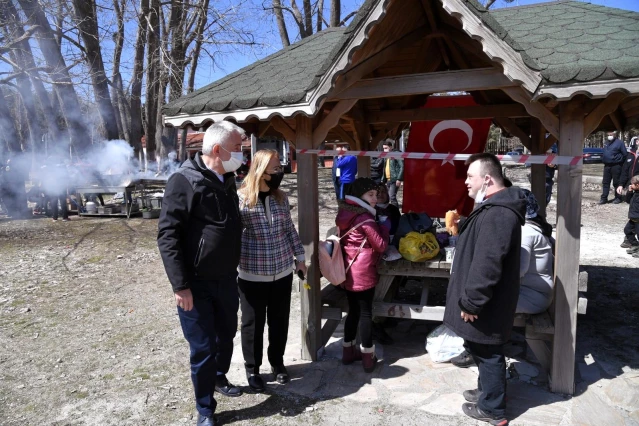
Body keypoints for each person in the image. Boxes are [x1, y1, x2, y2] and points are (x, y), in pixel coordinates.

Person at [157, 121, 246, 426]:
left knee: (226, 335)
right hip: (195, 283)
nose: (242, 153)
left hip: (226, 278)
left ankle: (219, 377)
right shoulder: (185, 181)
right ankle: (206, 408)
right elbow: (168, 236)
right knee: (203, 347)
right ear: (218, 150)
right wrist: (180, 286)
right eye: (238, 147)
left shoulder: (228, 180)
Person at [443, 153, 526, 425]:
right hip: (486, 300)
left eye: (470, 176)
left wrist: (472, 302)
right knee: (479, 348)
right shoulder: (493, 207)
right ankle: (486, 392)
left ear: (487, 179)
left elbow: (488, 262)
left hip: (487, 302)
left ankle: (492, 409)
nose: (466, 182)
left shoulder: (500, 213)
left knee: (488, 351)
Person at [236, 149, 306, 392]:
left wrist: (300, 256)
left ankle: (278, 364)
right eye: (275, 169)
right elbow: (233, 236)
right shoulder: (241, 199)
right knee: (252, 324)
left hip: (282, 272)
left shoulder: (281, 198)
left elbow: (289, 229)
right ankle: (252, 369)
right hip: (252, 273)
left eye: (280, 168)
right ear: (261, 170)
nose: (280, 172)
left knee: (279, 322)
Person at [336, 178, 389, 372]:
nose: (375, 198)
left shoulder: (345, 213)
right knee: (366, 313)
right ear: (360, 196)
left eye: (376, 194)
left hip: (348, 270)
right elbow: (381, 245)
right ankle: (368, 356)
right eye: (370, 195)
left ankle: (348, 352)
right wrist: (384, 226)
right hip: (364, 270)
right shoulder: (365, 218)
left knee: (353, 312)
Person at [517, 190, 555, 314]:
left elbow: (519, 270)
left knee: (478, 303)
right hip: (534, 294)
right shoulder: (535, 226)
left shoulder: (526, 232)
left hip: (532, 297)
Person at [617, 137, 639, 248]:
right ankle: (630, 238)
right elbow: (625, 170)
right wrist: (621, 184)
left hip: (637, 187)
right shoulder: (631, 154)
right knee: (633, 211)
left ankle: (630, 239)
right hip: (631, 188)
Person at [600, 131, 627, 205]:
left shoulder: (620, 143)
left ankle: (618, 197)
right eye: (608, 134)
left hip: (616, 166)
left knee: (616, 182)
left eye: (611, 134)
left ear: (614, 134)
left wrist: (619, 161)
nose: (609, 135)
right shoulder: (606, 142)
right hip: (607, 166)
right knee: (605, 182)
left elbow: (625, 154)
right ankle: (604, 198)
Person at [380, 140, 404, 207]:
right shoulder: (387, 156)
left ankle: (395, 212)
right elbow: (385, 168)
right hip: (388, 180)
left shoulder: (396, 154)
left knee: (392, 196)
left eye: (386, 148)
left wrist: (399, 179)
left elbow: (402, 166)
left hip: (394, 179)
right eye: (384, 148)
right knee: (387, 196)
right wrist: (383, 179)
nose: (384, 150)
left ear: (390, 147)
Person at [622, 175, 639, 257]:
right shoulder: (635, 193)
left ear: (637, 185)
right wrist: (629, 191)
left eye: (632, 184)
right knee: (627, 230)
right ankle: (635, 245)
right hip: (633, 218)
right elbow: (628, 200)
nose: (630, 185)